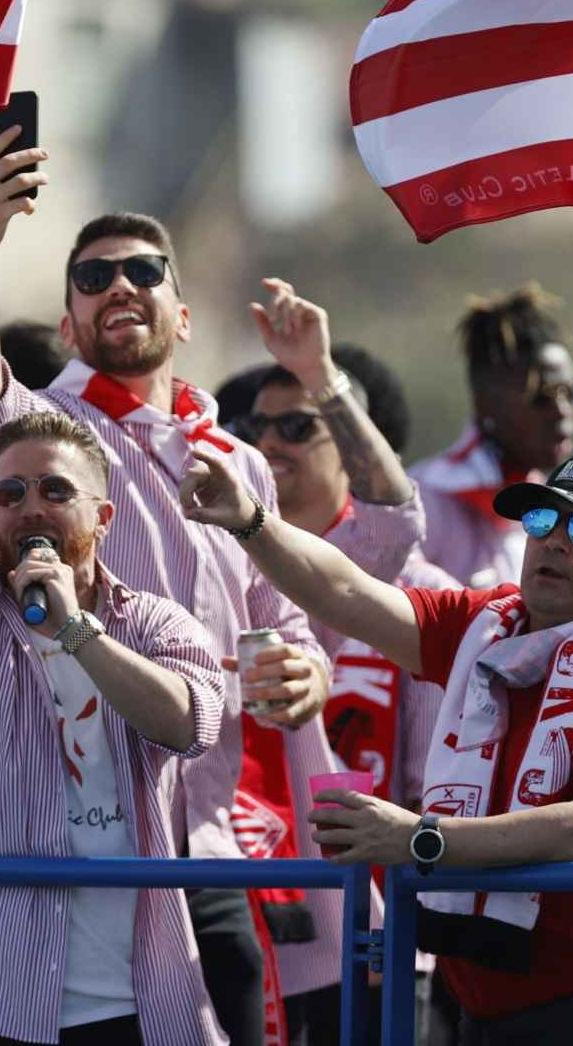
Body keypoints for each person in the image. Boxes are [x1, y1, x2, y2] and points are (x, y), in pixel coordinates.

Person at [0, 130, 347, 1046]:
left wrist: (308, 673)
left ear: (184, 312)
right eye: (93, 278)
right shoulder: (47, 438)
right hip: (75, 850)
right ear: (70, 326)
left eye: (145, 269)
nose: (121, 285)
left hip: (204, 848)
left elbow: (286, 620)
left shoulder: (240, 459)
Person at [182, 443, 573, 1044]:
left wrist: (419, 839)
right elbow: (346, 594)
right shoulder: (487, 627)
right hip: (482, 1003)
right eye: (542, 520)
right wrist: (251, 519)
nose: (556, 540)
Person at [0, 280, 227, 1045]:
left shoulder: (155, 621)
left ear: (103, 515)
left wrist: (78, 633)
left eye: (55, 491)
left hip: (142, 1002)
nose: (29, 507)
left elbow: (192, 724)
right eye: (10, 491)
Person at [228, 279, 438, 1044]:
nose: (270, 443)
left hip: (363, 930)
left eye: (296, 425)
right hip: (229, 910)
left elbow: (391, 517)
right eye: (258, 426)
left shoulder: (404, 590)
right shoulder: (222, 557)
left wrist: (323, 378)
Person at [408, 284, 573, 590]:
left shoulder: (558, 509)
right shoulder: (422, 500)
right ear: (484, 404)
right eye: (540, 397)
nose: (561, 412)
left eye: (571, 394)